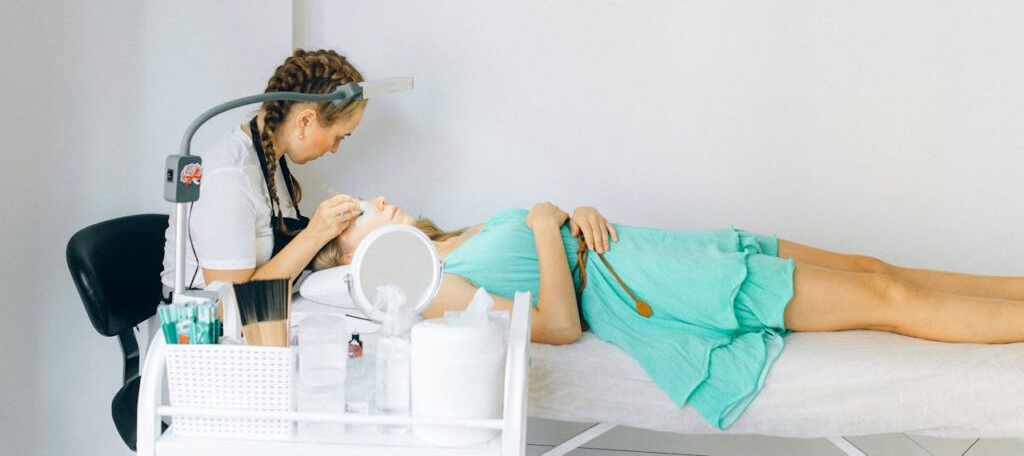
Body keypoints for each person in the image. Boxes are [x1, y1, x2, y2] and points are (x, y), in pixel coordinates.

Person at [314, 196, 1024, 429]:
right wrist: (541, 222)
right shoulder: (435, 287)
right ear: (355, 259)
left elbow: (558, 234)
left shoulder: (450, 240)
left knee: (876, 270)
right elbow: (559, 324)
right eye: (358, 215)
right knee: (886, 302)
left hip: (662, 252)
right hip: (666, 287)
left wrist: (573, 212)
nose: (380, 204)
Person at [160, 48, 367, 291]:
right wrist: (315, 234)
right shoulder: (229, 180)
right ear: (305, 121)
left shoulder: (271, 159)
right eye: (339, 137)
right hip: (206, 324)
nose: (335, 149)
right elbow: (229, 304)